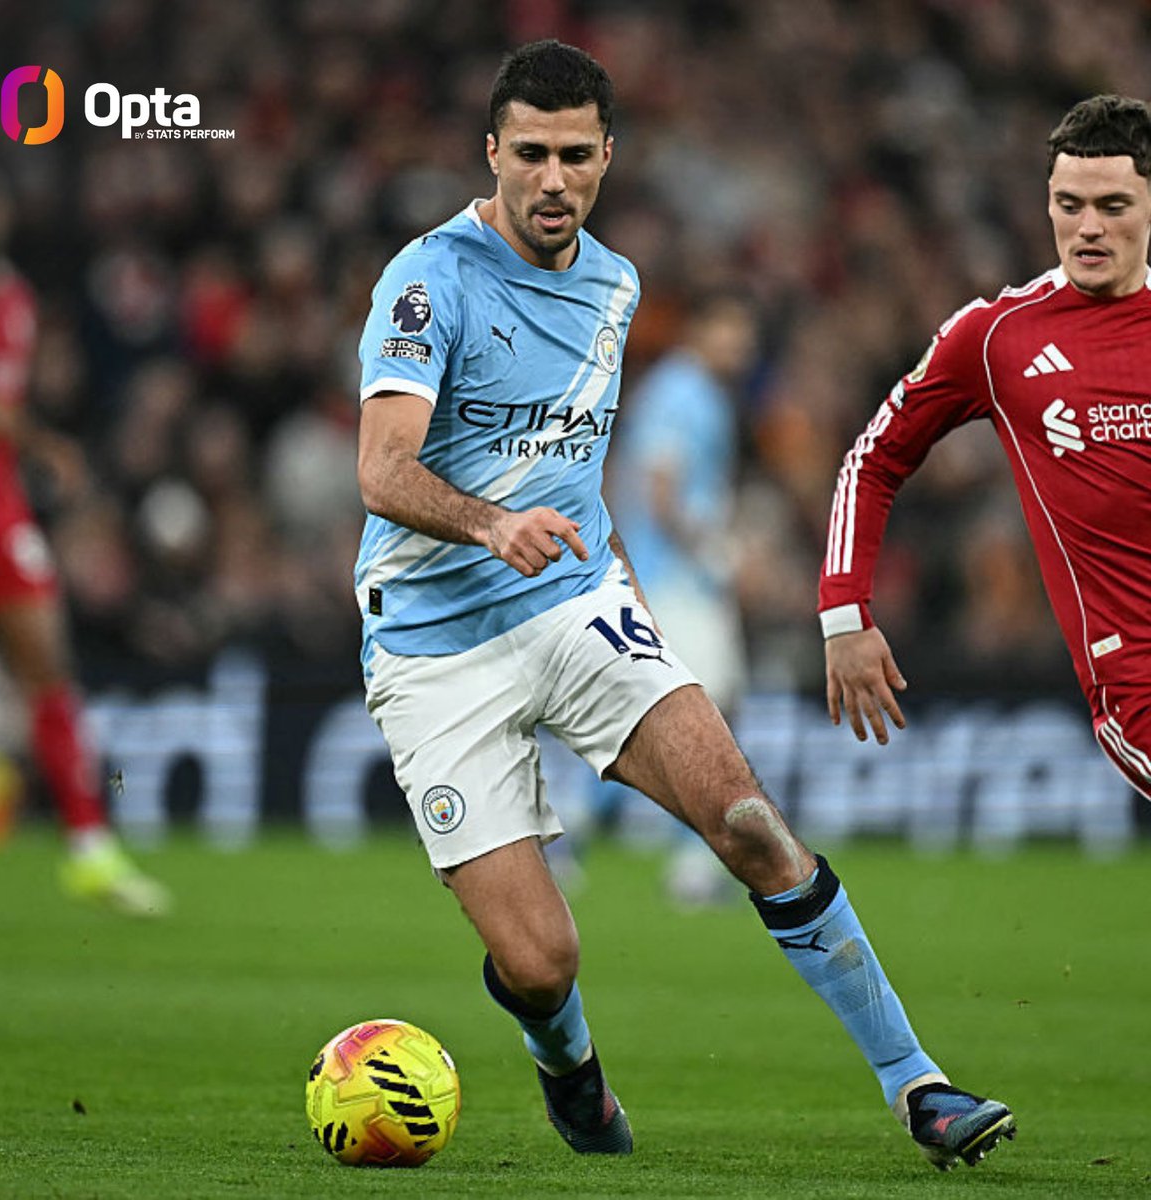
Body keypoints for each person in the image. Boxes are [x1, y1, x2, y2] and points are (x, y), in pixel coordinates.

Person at [355, 39, 1013, 1169]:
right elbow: (380, 467)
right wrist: (488, 524)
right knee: (541, 960)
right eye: (529, 155)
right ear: (491, 155)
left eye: (574, 155)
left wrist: (617, 587)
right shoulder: (429, 283)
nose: (552, 179)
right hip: (434, 647)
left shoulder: (617, 287)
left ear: (608, 155)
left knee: (751, 823)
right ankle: (568, 1069)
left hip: (576, 606)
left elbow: (569, 470)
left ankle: (922, 1089)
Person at [820, 94, 1151, 810]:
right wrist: (844, 612)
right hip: (1138, 683)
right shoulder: (997, 336)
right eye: (1069, 204)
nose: (1087, 227)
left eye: (1114, 205)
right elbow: (873, 460)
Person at [0, 163, 169, 916]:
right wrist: (41, 441)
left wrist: (24, 440)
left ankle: (89, 849)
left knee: (48, 667)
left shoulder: (13, 297)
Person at [602, 291, 756, 904]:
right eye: (731, 329)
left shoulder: (692, 393)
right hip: (676, 579)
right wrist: (713, 553)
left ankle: (574, 835)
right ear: (702, 327)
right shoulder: (682, 394)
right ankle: (694, 864)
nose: (741, 347)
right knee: (711, 715)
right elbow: (661, 494)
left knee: (657, 717)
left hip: (675, 576)